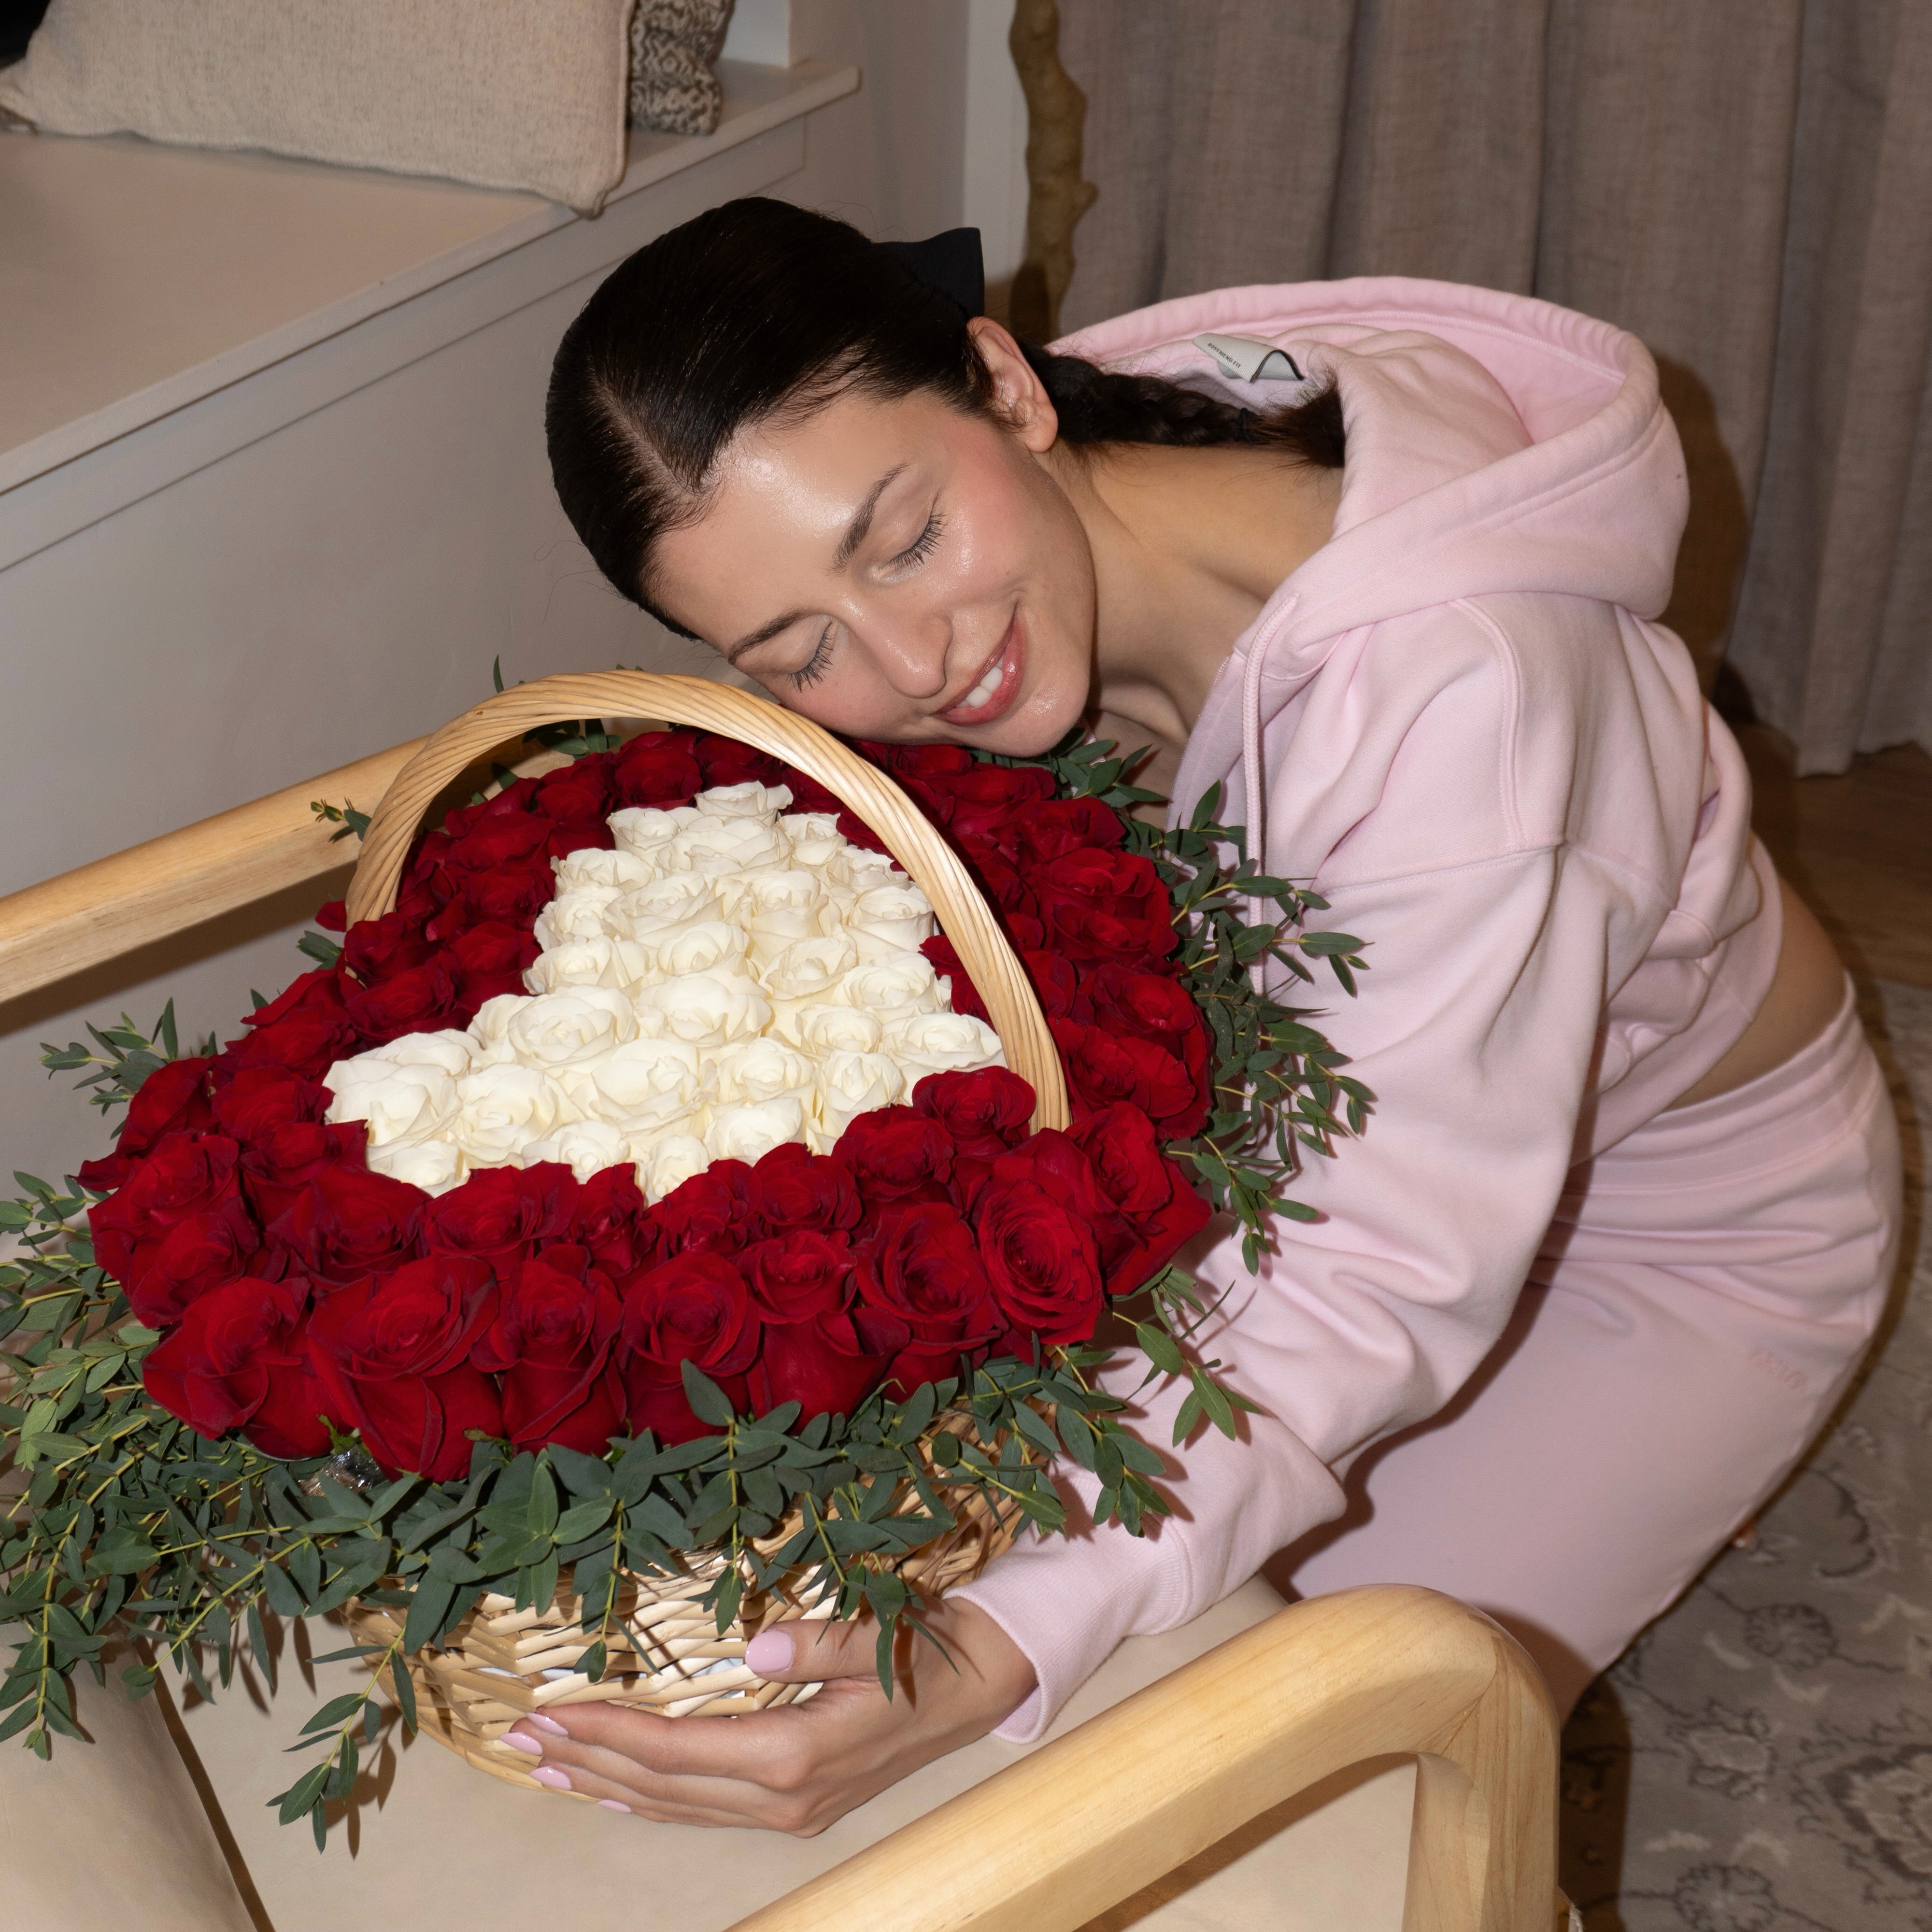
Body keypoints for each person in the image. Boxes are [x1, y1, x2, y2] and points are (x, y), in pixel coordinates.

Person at [504, 198, 1900, 1833]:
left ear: (1007, 387)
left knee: (1282, 1778)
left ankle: (1675, 1447)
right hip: (1310, 1154)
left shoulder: (1468, 705)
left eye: (903, 538)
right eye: (800, 646)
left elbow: (1371, 1265)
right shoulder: (1060, 525)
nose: (916, 658)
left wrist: (995, 1641)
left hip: (1671, 1229)